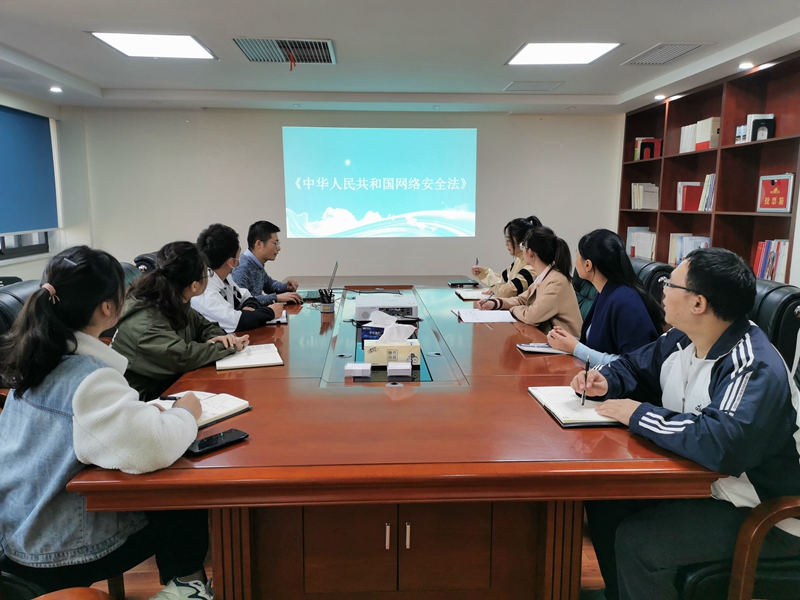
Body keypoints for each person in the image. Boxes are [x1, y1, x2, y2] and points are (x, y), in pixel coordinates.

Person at [570, 247, 800, 600]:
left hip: (765, 510)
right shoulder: (683, 337)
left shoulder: (753, 364)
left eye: (671, 285)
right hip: (707, 485)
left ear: (698, 303)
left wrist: (638, 413)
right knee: (605, 500)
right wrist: (605, 379)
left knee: (640, 542)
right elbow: (633, 365)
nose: (662, 290)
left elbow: (721, 442)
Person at [0, 246, 213, 600]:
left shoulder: (36, 358)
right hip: (55, 549)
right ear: (107, 308)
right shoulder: (89, 377)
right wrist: (186, 412)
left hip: (16, 529)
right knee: (182, 492)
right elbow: (153, 448)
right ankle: (188, 587)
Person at [113, 241, 249, 400]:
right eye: (207, 274)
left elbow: (206, 326)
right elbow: (183, 358)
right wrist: (226, 346)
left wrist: (215, 339)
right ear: (194, 286)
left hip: (170, 387)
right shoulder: (146, 321)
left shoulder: (174, 300)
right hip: (143, 402)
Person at [546, 229, 664, 366]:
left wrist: (575, 348)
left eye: (577, 256)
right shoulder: (605, 292)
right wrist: (567, 341)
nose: (576, 261)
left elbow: (631, 365)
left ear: (588, 265)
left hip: (615, 379)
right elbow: (598, 347)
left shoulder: (626, 301)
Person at [478, 226, 582, 336]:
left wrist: (513, 310)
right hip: (549, 338)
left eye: (523, 246)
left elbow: (531, 316)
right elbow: (521, 300)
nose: (522, 250)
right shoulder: (545, 276)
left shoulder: (557, 282)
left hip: (565, 344)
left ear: (530, 252)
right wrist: (496, 303)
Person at [192, 223, 284, 332]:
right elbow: (235, 322)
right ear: (231, 262)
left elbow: (246, 297)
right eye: (238, 253)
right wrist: (270, 312)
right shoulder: (205, 291)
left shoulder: (225, 277)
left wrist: (250, 308)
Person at [232, 220, 302, 305]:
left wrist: (286, 286)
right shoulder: (242, 267)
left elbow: (268, 285)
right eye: (275, 243)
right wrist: (276, 298)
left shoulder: (255, 263)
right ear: (259, 244)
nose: (278, 248)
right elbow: (242, 301)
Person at [471, 216, 540, 298]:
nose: (506, 244)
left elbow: (509, 290)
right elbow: (503, 281)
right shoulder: (518, 261)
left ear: (522, 243)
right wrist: (484, 273)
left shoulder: (532, 266)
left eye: (509, 240)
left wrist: (495, 289)